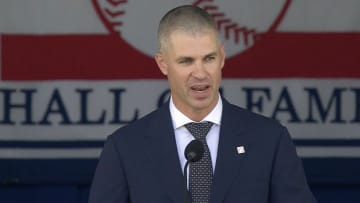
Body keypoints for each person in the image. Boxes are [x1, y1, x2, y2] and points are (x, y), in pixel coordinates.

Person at [89, 5, 317, 203]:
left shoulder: (269, 140)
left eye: (209, 58)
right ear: (163, 63)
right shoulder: (125, 148)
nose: (200, 73)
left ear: (222, 56)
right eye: (186, 61)